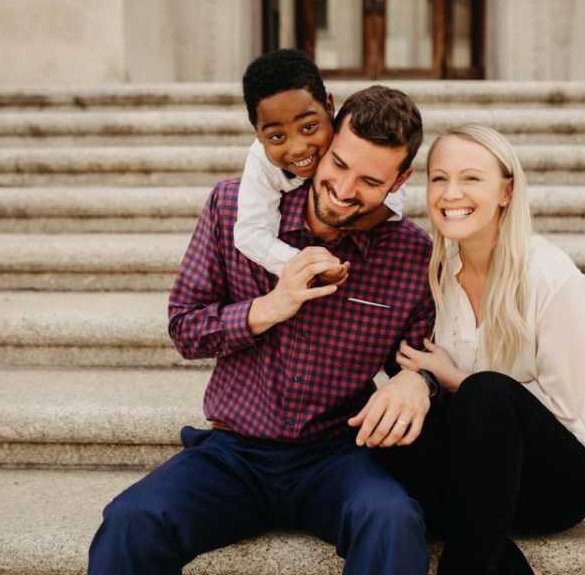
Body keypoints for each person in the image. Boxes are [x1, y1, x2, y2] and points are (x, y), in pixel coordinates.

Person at [87, 84, 438, 575]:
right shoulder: (234, 208)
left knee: (392, 521)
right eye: (337, 164)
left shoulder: (409, 254)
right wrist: (270, 307)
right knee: (131, 521)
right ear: (327, 139)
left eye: (369, 181)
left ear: (400, 180)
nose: (343, 189)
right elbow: (185, 328)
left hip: (337, 456)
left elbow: (426, 358)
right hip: (234, 454)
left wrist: (414, 381)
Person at [380, 124, 585, 575]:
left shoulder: (551, 277)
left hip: (555, 481)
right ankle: (489, 557)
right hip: (474, 480)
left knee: (486, 392)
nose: (452, 193)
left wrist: (454, 379)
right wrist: (416, 379)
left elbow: (564, 404)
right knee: (384, 425)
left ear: (506, 191)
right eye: (440, 178)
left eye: (471, 178)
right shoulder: (436, 275)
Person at [235, 48, 406, 281]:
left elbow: (390, 189)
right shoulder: (260, 161)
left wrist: (355, 221)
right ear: (257, 133)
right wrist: (305, 264)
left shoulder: (347, 136)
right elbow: (250, 233)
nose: (298, 148)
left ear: (329, 108)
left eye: (308, 127)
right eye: (277, 136)